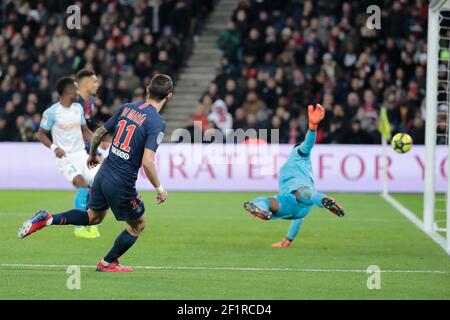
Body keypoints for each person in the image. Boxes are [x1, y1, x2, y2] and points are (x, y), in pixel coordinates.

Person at [18, 74, 173, 272]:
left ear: (147, 89)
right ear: (169, 96)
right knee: (137, 225)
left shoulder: (127, 107)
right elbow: (148, 162)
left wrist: (91, 155)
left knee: (93, 217)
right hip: (122, 182)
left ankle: (48, 218)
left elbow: (99, 133)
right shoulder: (157, 122)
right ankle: (107, 263)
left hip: (104, 171)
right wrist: (160, 189)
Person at [243, 104, 345, 248]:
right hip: (300, 208)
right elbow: (299, 218)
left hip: (295, 201)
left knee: (299, 194)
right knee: (301, 195)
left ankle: (262, 208)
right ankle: (262, 210)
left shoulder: (298, 154)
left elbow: (308, 144)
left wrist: (312, 127)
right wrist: (289, 239)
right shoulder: (304, 169)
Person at [36, 77, 100, 239]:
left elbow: (85, 130)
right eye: (75, 89)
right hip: (65, 158)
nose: (78, 92)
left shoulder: (78, 108)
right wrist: (54, 147)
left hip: (81, 155)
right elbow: (41, 134)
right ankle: (78, 227)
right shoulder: (52, 112)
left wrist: (97, 143)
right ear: (67, 91)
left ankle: (90, 223)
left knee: (98, 183)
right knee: (81, 184)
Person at [73, 68, 102, 238]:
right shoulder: (73, 101)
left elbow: (88, 125)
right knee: (85, 183)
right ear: (85, 83)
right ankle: (79, 226)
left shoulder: (89, 100)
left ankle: (87, 222)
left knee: (92, 183)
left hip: (85, 148)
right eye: (94, 81)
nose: (97, 84)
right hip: (74, 150)